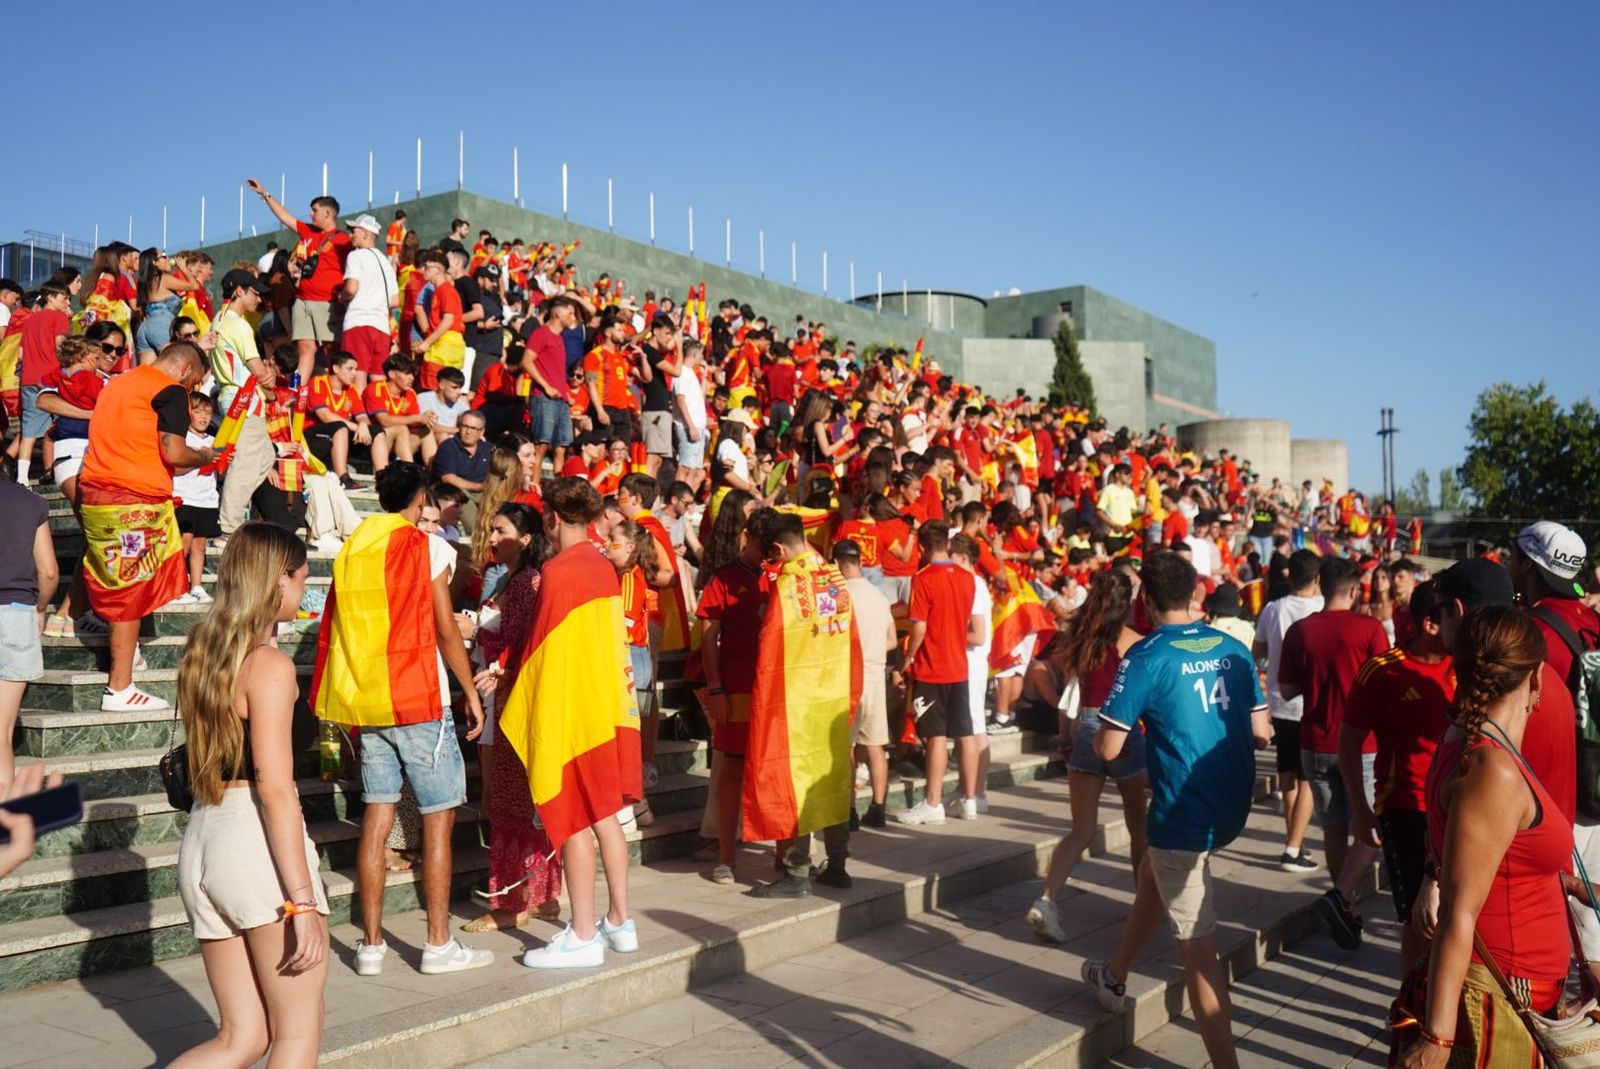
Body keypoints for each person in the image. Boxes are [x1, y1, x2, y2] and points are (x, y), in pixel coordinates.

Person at [1081, 552, 1269, 1069]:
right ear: (1195, 595)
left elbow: (1107, 749)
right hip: (1233, 806)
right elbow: (1261, 731)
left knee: (1200, 961)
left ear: (1145, 600)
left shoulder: (1146, 655)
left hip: (1185, 816)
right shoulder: (1233, 648)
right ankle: (1114, 976)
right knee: (1151, 872)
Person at [310, 461, 491, 977]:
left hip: (368, 700)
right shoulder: (426, 545)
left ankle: (370, 946)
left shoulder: (353, 547)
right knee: (438, 821)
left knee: (376, 816)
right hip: (416, 693)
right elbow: (444, 627)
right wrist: (467, 690)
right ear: (418, 501)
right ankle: (437, 945)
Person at [170, 522, 328, 1068]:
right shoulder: (270, 667)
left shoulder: (203, 652)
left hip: (204, 835)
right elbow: (277, 790)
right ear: (277, 581)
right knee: (295, 1034)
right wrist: (302, 902)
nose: (304, 592)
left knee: (242, 1037)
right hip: (254, 842)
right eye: (302, 578)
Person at [1396, 607, 1577, 1069]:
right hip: (1498, 994)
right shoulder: (1491, 767)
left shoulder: (1475, 744)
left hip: (1512, 986)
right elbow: (1460, 908)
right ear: (1536, 677)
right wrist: (1437, 1039)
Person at [496, 477, 640, 969]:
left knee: (574, 818)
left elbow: (541, 649)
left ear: (553, 519)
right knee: (605, 815)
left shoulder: (558, 571)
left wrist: (507, 678)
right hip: (603, 707)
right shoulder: (603, 566)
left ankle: (581, 935)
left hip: (573, 710)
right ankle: (619, 921)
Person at [79, 340, 215, 712]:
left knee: (114, 573)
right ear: (185, 371)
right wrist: (204, 454)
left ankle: (92, 625)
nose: (193, 394)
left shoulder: (120, 382)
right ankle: (119, 687)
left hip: (95, 491)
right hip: (131, 500)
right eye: (195, 385)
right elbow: (172, 451)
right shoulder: (169, 391)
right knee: (131, 585)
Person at [742, 513, 862, 896]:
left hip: (796, 702)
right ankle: (838, 865)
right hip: (835, 697)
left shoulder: (787, 587)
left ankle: (796, 872)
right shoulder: (833, 578)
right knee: (833, 783)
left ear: (777, 549)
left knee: (794, 783)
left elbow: (770, 650)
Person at [1026, 570, 1146, 944]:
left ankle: (1047, 899)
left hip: (1086, 727)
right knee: (1138, 824)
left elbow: (1070, 697)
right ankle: (1144, 903)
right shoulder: (1135, 642)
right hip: (1124, 729)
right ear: (1127, 604)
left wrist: (1066, 737)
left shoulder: (1081, 640)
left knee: (1080, 830)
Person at [1338, 581, 1451, 976]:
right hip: (1405, 808)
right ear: (1431, 623)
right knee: (1419, 920)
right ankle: (1413, 1014)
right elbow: (1348, 741)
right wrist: (1360, 810)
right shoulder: (1383, 670)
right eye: (1453, 614)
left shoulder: (1467, 668)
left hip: (1457, 808)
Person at [1279, 556, 1391, 949]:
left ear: (1320, 587)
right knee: (1372, 827)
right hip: (1362, 745)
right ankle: (1343, 898)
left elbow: (1288, 689)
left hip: (1314, 740)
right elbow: (1386, 685)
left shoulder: (1300, 631)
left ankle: (1346, 907)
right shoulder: (1370, 628)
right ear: (1356, 590)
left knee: (1333, 828)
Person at [463, 503, 562, 932]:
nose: (492, 538)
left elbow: (519, 643)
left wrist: (475, 631)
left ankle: (514, 900)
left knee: (511, 802)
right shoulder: (513, 579)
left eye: (501, 531)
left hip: (512, 700)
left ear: (524, 538)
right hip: (505, 698)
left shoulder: (526, 582)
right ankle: (540, 896)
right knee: (518, 802)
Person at [698, 507, 772, 882]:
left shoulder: (784, 577)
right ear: (747, 539)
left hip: (775, 692)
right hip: (737, 688)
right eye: (761, 547)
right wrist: (716, 688)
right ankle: (726, 856)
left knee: (775, 770)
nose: (765, 556)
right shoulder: (724, 579)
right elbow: (708, 635)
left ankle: (785, 855)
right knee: (730, 768)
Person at [898, 522, 982, 825]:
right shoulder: (967, 578)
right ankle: (969, 799)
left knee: (935, 738)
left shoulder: (922, 578)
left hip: (932, 666)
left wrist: (908, 658)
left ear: (920, 547)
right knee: (965, 732)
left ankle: (933, 803)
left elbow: (919, 625)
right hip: (958, 665)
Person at [1252, 548, 1323, 872]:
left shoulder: (1273, 608)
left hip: (1281, 700)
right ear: (1318, 578)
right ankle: (1293, 847)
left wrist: (1270, 662)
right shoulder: (1323, 607)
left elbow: (1259, 650)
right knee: (1306, 777)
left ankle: (1293, 841)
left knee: (1288, 774)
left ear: (1288, 575)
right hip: (1310, 701)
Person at [247, 180, 353, 388]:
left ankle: (334, 392)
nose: (311, 214)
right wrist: (265, 194)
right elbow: (285, 217)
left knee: (331, 350)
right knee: (305, 349)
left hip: (327, 302)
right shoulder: (308, 232)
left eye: (315, 210)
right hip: (303, 301)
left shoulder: (343, 241)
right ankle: (297, 393)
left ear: (328, 214)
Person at [211, 270, 277, 542]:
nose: (259, 299)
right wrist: (269, 379)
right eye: (254, 292)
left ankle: (231, 516)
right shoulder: (238, 324)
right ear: (238, 290)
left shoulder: (220, 318)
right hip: (242, 399)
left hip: (240, 398)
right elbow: (257, 368)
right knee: (246, 463)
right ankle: (229, 527)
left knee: (264, 457)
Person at [834, 539, 895, 828]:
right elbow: (892, 640)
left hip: (848, 677)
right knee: (875, 746)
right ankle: (879, 806)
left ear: (836, 563)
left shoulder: (838, 595)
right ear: (859, 561)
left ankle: (848, 812)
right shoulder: (879, 596)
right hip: (875, 675)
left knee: (846, 746)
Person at [0, 476, 55, 787]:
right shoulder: (30, 502)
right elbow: (48, 572)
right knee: (1, 733)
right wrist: (41, 608)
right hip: (18, 613)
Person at [13, 280, 71, 485]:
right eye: (64, 297)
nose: (67, 302)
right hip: (51, 378)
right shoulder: (60, 318)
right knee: (60, 423)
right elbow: (59, 346)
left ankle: (21, 477)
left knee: (28, 430)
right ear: (51, 298)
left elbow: (20, 354)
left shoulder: (31, 320)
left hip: (28, 378)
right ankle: (56, 468)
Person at [338, 213, 400, 394]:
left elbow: (351, 288)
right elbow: (395, 301)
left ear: (365, 233)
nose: (350, 235)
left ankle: (359, 419)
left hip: (359, 321)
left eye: (353, 231)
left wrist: (341, 297)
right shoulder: (386, 262)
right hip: (381, 327)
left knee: (356, 374)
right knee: (379, 378)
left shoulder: (356, 256)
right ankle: (377, 416)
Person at [172, 392, 220, 605]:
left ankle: (197, 585)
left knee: (200, 544)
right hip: (185, 497)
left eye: (207, 412)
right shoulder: (182, 440)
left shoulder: (214, 441)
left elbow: (220, 473)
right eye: (197, 411)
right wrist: (200, 458)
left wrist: (223, 460)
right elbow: (177, 469)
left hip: (207, 499)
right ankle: (177, 584)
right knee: (184, 542)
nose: (203, 417)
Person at [363, 354, 427, 471]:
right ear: (391, 374)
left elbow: (414, 424)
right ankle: (410, 473)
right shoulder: (375, 388)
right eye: (407, 373)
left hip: (399, 442)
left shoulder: (410, 393)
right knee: (401, 429)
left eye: (412, 374)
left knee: (426, 433)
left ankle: (434, 479)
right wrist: (418, 418)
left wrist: (426, 420)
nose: (412, 378)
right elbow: (384, 420)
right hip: (373, 441)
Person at [638, 314, 682, 476]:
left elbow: (668, 346)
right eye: (666, 333)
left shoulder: (655, 352)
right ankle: (645, 492)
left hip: (660, 410)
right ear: (656, 332)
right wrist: (681, 346)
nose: (669, 338)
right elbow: (676, 371)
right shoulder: (649, 351)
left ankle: (651, 495)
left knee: (657, 460)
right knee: (652, 458)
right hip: (654, 410)